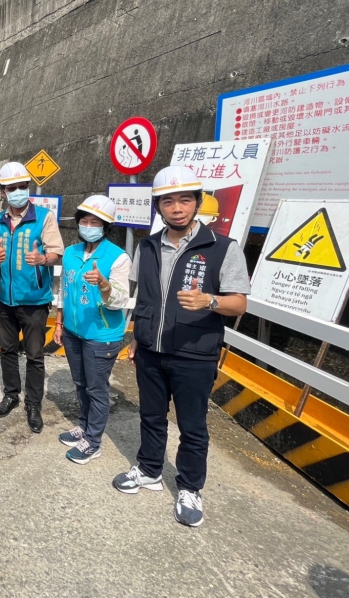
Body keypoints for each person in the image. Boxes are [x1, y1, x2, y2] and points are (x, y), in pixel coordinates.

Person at [112, 165, 249, 529]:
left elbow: (239, 303)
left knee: (192, 426)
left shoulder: (222, 248)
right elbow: (144, 299)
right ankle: (149, 470)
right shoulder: (148, 246)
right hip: (150, 351)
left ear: (197, 203)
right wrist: (137, 338)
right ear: (158, 207)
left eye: (185, 200)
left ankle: (189, 487)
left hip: (195, 354)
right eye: (168, 201)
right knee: (151, 416)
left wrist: (210, 301)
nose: (176, 208)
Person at [53, 195, 131, 464]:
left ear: (106, 227)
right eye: (84, 221)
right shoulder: (71, 253)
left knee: (96, 389)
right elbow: (63, 291)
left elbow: (120, 300)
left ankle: (93, 441)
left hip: (102, 335)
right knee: (80, 383)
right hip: (73, 332)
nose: (88, 226)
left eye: (95, 222)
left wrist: (105, 285)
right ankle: (84, 426)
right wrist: (59, 323)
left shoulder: (118, 257)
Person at [0, 161, 64, 433]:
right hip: (4, 300)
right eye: (12, 188)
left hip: (34, 301)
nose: (18, 191)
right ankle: (11, 395)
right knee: (7, 350)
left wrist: (42, 259)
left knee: (34, 355)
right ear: (3, 191)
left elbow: (57, 252)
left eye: (22, 186)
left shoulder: (44, 217)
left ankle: (33, 404)